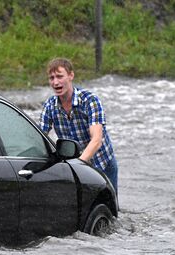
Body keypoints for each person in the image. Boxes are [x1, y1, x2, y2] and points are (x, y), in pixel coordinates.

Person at [39, 58, 118, 194]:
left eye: (59, 76)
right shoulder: (50, 105)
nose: (55, 82)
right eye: (51, 78)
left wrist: (77, 165)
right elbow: (40, 137)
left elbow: (97, 140)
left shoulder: (89, 100)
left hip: (102, 164)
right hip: (75, 167)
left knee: (107, 209)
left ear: (71, 76)